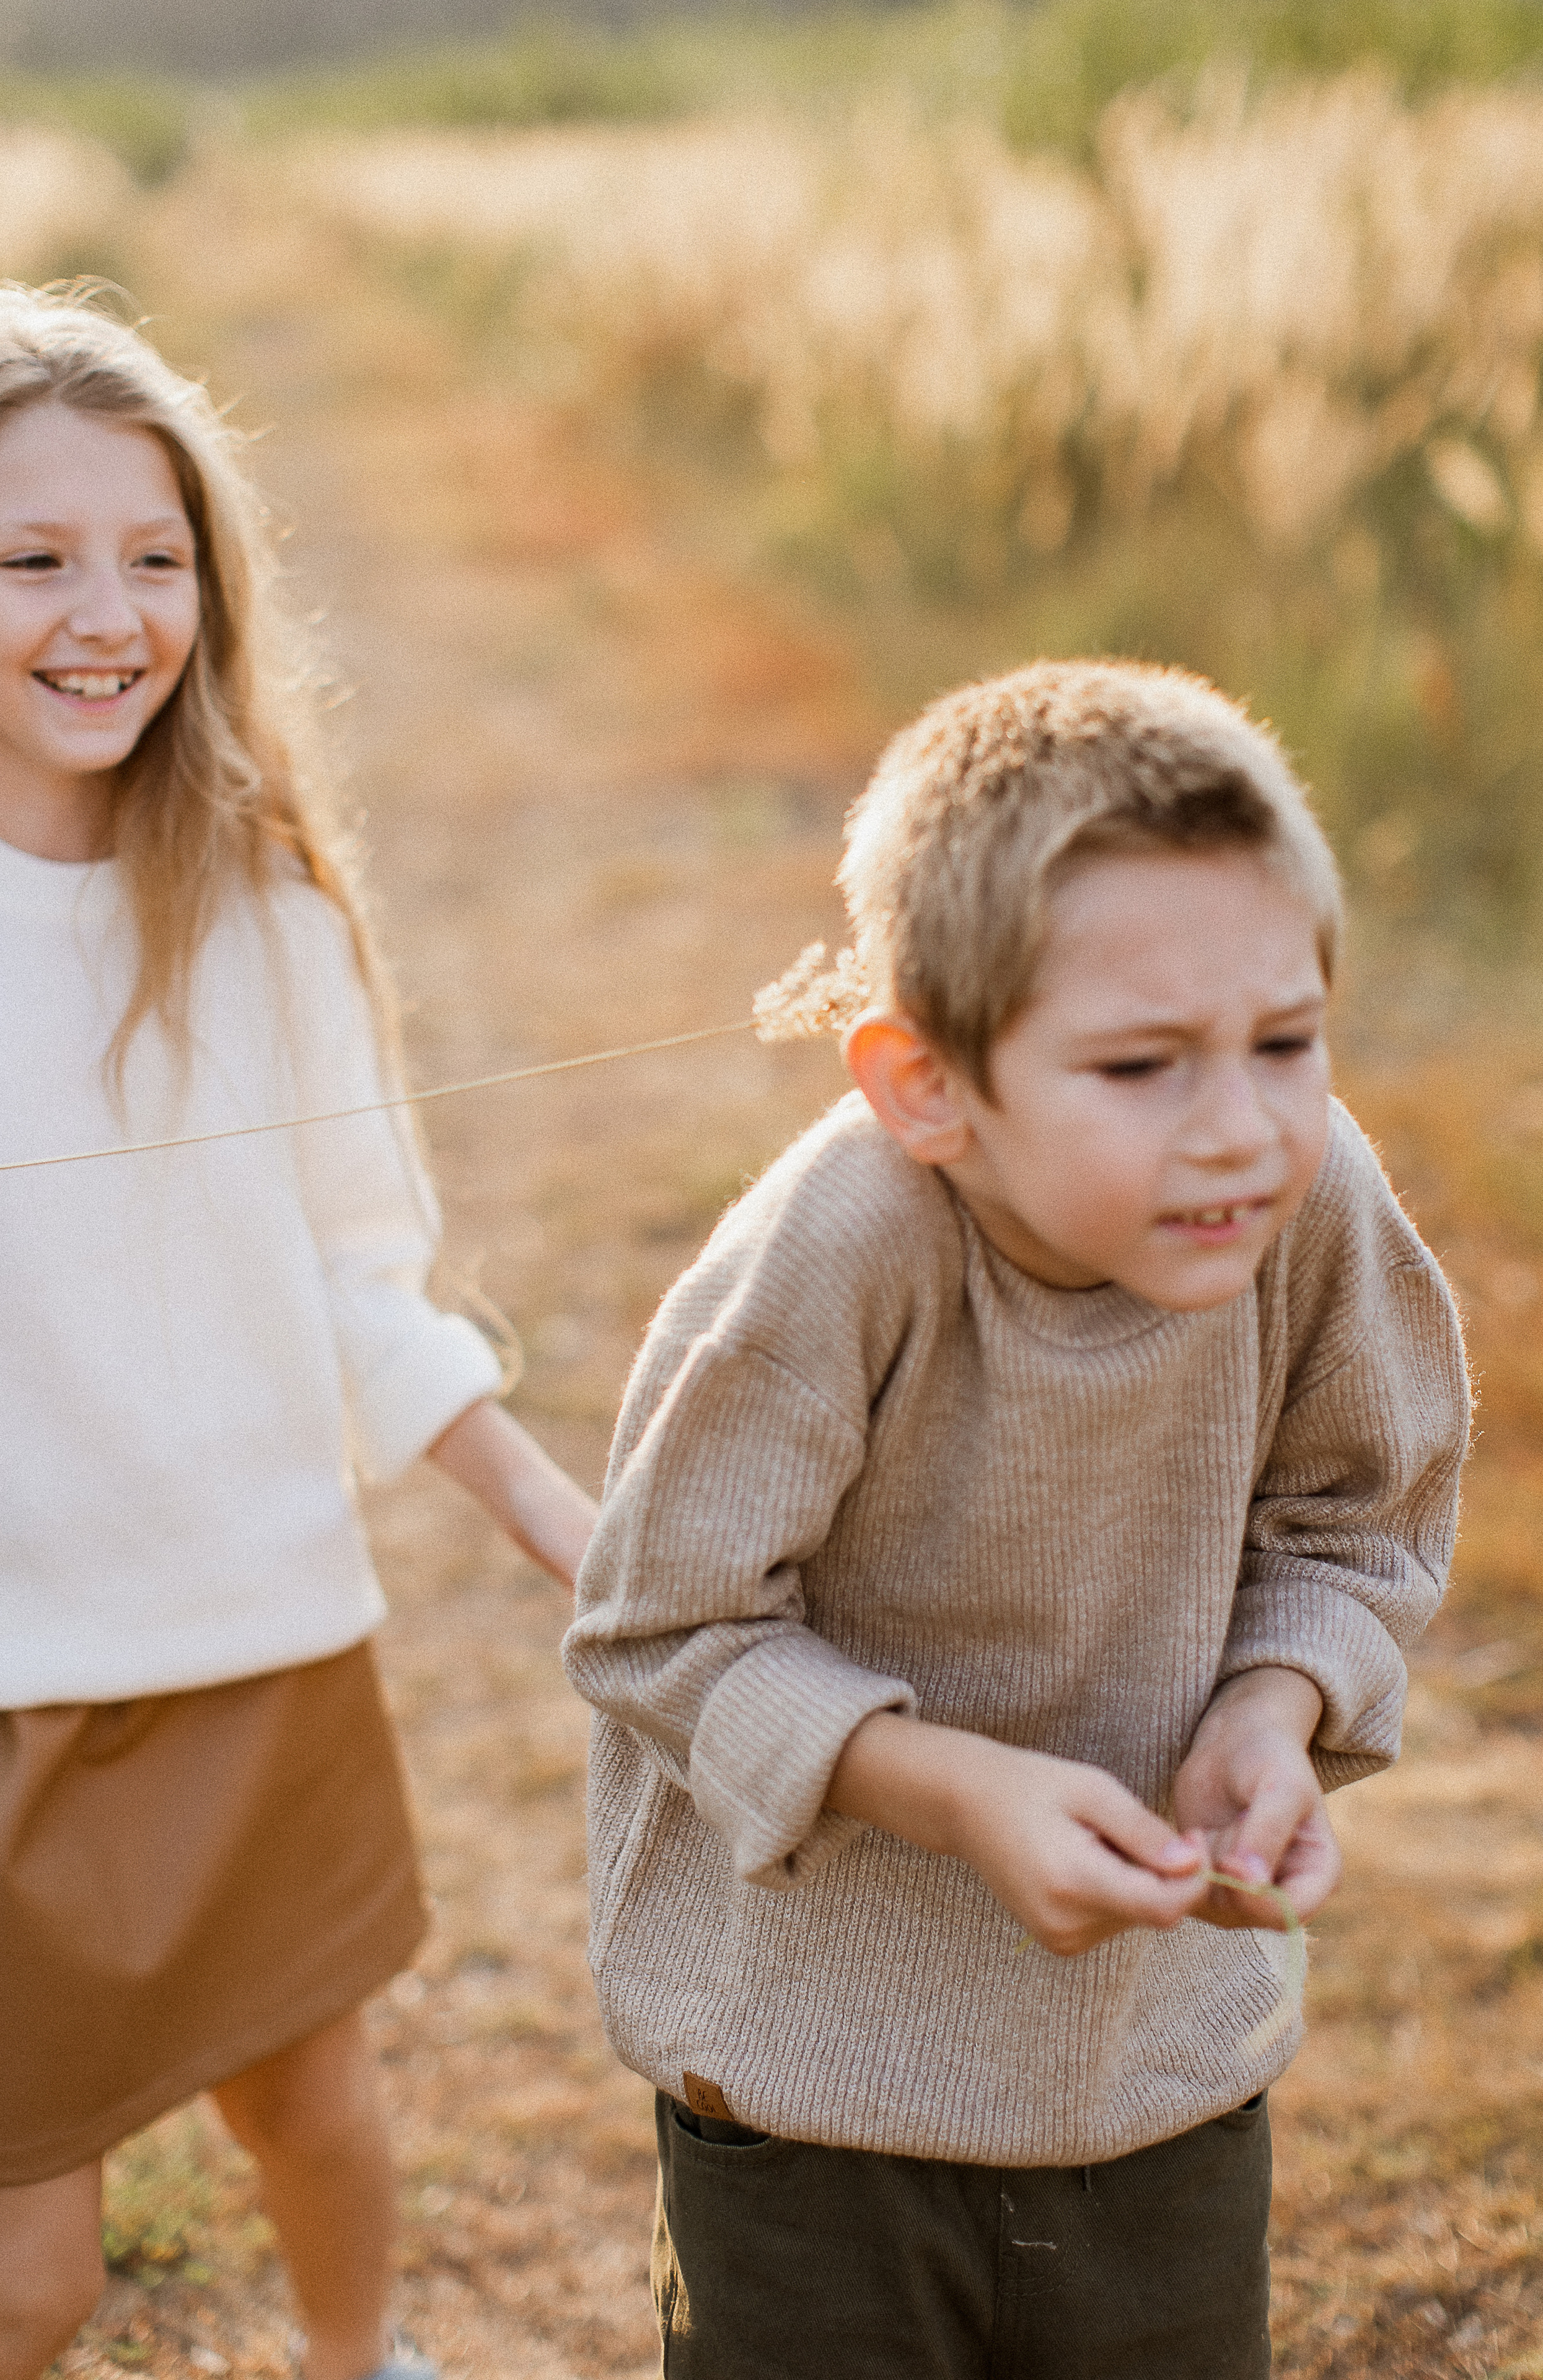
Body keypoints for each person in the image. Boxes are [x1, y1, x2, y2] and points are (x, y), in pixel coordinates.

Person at [563, 658, 1470, 2379]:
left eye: (1287, 1040)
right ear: (927, 1087)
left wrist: (1271, 1709)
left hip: (1151, 2069)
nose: (1241, 1130)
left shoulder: (1311, 1196)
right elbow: (658, 1632)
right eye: (1141, 1066)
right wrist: (952, 1788)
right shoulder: (834, 1259)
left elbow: (1360, 1520)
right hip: (815, 2087)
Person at [0, 287, 597, 2380]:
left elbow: (360, 1265)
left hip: (259, 1633)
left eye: (156, 558)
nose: (107, 614)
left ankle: (366, 2366)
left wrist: (542, 1504)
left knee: (315, 2107)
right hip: (17, 1682)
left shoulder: (255, 899)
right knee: (31, 2283)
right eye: (36, 558)